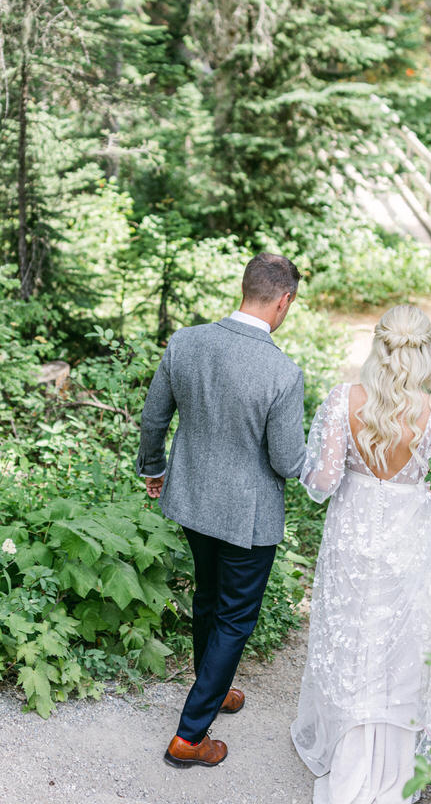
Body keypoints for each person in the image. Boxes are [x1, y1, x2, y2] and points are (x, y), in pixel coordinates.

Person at [291, 304, 431, 804]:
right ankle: (394, 764)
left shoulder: (344, 400)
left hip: (353, 540)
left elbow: (321, 484)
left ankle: (348, 752)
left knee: (352, 640)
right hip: (409, 543)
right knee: (402, 644)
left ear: (378, 345)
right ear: (426, 350)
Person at [135, 252, 310, 769]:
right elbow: (286, 460)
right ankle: (190, 735)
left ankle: (214, 688)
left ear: (245, 287)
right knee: (235, 618)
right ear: (284, 301)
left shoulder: (185, 342)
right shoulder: (282, 371)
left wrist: (153, 468)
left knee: (210, 598)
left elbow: (153, 417)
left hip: (191, 500)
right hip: (247, 518)